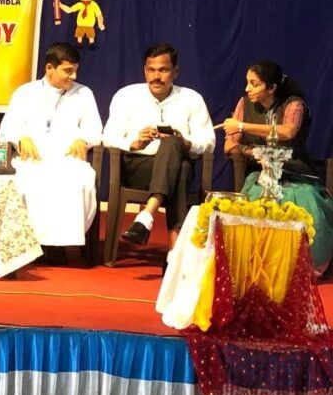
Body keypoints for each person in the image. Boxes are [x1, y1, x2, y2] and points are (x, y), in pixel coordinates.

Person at [221, 60, 333, 271]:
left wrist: (243, 126)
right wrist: (251, 152)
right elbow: (229, 144)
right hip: (262, 174)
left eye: (254, 84)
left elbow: (288, 131)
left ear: (271, 88)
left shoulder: (293, 104)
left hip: (296, 173)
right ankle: (258, 262)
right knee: (256, 196)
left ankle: (304, 265)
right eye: (247, 82)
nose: (247, 89)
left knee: (304, 200)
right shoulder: (244, 104)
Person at [103, 42, 215, 248]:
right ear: (144, 71)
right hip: (139, 168)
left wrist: (186, 143)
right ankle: (175, 250)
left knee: (175, 149)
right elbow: (108, 136)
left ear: (175, 72)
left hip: (178, 167)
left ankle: (147, 216)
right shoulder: (126, 95)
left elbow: (209, 141)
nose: (156, 76)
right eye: (151, 70)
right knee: (181, 169)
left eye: (163, 70)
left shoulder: (192, 98)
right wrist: (134, 142)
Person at [0, 42, 102, 251]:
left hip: (69, 160)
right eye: (68, 71)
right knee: (29, 180)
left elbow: (95, 130)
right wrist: (21, 138)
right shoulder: (25, 92)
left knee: (78, 180)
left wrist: (83, 140)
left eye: (75, 71)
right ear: (49, 68)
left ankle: (59, 247)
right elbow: (7, 129)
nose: (73, 76)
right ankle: (31, 243)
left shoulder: (84, 93)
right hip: (32, 160)